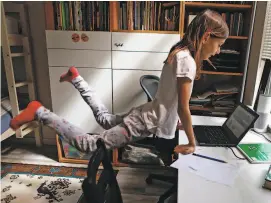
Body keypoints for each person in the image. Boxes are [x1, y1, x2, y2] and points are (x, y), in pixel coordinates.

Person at [10, 9, 229, 155]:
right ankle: (39, 112)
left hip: (146, 114)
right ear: (207, 36)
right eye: (219, 45)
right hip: (145, 121)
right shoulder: (187, 61)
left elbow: (169, 100)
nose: (218, 51)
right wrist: (192, 142)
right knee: (90, 145)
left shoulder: (179, 53)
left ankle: (77, 79)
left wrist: (174, 122)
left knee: (106, 119)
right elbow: (182, 107)